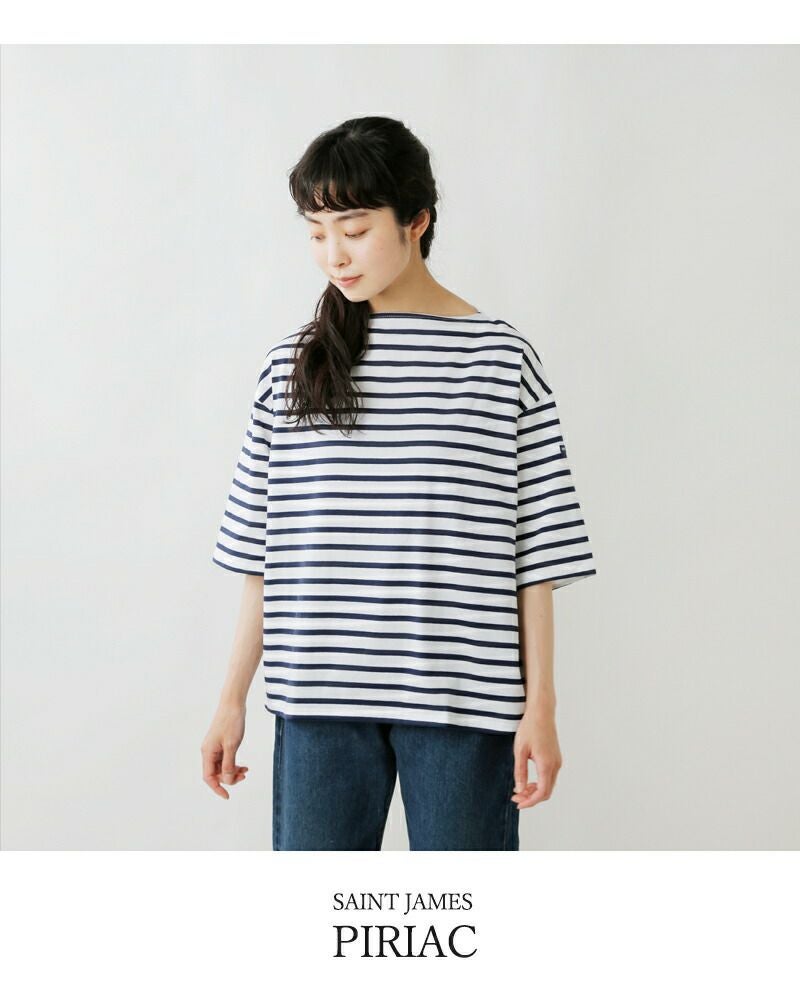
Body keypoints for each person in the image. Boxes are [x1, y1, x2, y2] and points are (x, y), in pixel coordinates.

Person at [201, 116, 597, 850]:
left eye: (354, 230)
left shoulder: (500, 360)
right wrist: (231, 699)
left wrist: (540, 705)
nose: (334, 254)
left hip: (463, 703)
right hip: (318, 701)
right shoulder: (291, 368)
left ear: (417, 221)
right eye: (316, 232)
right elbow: (263, 555)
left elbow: (536, 555)